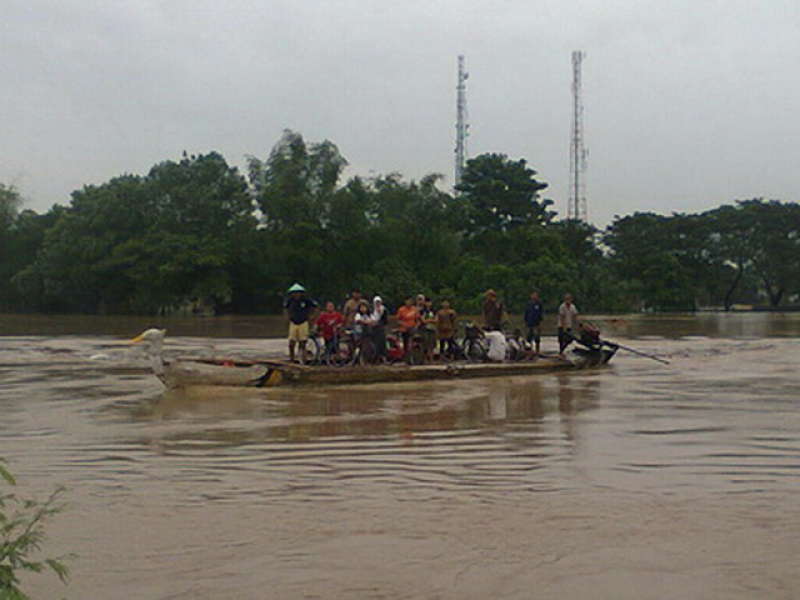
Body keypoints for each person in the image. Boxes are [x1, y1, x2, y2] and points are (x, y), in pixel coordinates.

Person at [283, 283, 319, 364]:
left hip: (303, 322)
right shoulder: (289, 300)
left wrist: (312, 316)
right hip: (293, 322)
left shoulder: (306, 300)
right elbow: (285, 309)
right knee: (291, 342)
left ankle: (303, 360)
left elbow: (315, 307)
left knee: (303, 343)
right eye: (294, 293)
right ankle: (292, 359)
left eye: (298, 292)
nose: (296, 294)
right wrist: (287, 317)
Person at [557, 293, 579, 358]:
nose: (568, 300)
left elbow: (575, 316)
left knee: (569, 339)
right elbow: (561, 317)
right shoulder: (562, 307)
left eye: (569, 299)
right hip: (561, 326)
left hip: (569, 326)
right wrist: (564, 327)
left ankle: (561, 351)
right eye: (566, 299)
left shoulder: (573, 307)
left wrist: (578, 325)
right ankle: (561, 352)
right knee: (561, 340)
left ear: (571, 299)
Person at [523, 291, 544, 355]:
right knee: (529, 337)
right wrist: (525, 321)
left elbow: (541, 314)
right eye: (533, 295)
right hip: (529, 323)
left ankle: (537, 350)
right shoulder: (529, 304)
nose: (534, 296)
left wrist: (540, 323)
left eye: (535, 295)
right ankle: (529, 350)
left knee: (537, 337)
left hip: (536, 323)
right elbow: (526, 313)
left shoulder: (539, 304)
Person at [370, 296, 389, 361]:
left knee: (381, 343)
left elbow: (385, 320)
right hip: (372, 328)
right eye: (376, 302)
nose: (377, 304)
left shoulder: (383, 309)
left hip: (380, 328)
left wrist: (379, 323)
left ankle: (383, 357)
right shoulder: (372, 309)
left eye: (379, 302)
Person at [419, 297, 437, 361]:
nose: (428, 304)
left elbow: (436, 320)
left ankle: (431, 359)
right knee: (425, 344)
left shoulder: (434, 310)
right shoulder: (422, 311)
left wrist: (429, 320)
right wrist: (430, 320)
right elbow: (423, 320)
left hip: (432, 329)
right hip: (424, 329)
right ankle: (424, 359)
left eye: (429, 302)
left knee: (432, 344)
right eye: (427, 302)